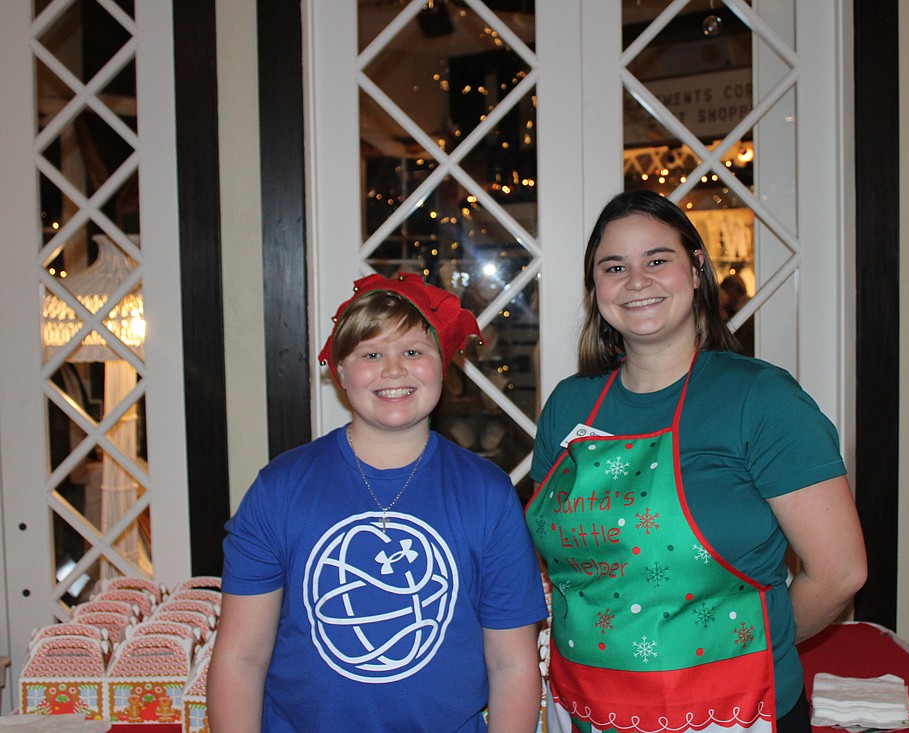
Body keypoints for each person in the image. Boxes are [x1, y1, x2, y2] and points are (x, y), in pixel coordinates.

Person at [526, 190, 866, 733]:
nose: (637, 281)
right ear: (596, 289)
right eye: (614, 267)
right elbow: (552, 562)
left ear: (697, 267)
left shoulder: (762, 399)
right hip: (588, 709)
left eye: (657, 260)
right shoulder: (569, 404)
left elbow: (840, 571)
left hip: (732, 709)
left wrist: (743, 645)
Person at [208, 273, 548, 732]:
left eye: (412, 351)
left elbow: (512, 666)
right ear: (341, 371)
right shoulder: (280, 489)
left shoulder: (487, 494)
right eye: (371, 353)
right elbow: (240, 657)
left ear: (442, 365)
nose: (393, 369)